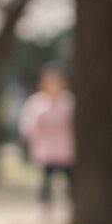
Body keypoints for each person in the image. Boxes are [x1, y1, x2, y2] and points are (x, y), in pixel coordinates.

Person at [19, 64, 75, 214]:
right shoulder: (37, 103)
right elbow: (28, 126)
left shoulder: (69, 102)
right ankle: (45, 207)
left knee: (71, 180)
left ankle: (73, 205)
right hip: (46, 151)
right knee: (45, 181)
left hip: (66, 150)